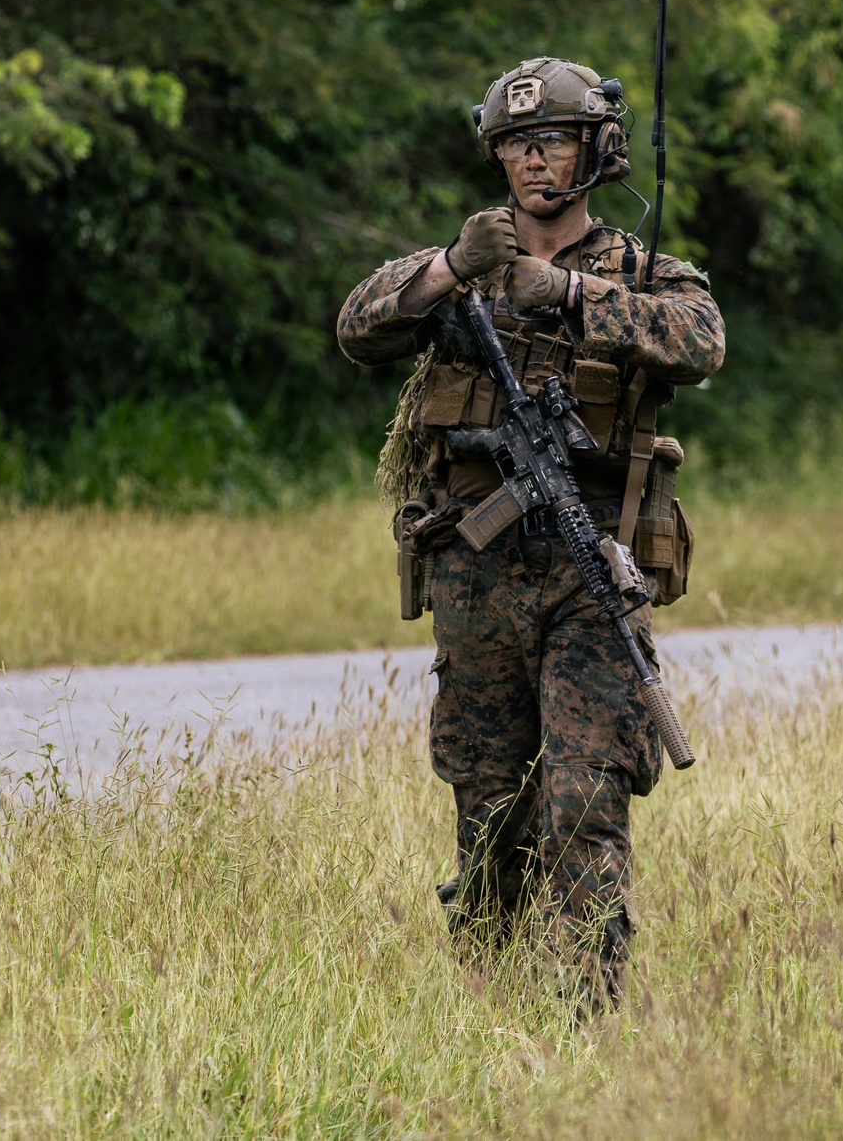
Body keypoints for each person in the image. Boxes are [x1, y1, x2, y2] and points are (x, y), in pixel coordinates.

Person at [337, 56, 725, 1007]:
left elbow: (702, 340)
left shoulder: (640, 272)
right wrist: (450, 268)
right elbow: (356, 326)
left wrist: (569, 298)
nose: (532, 162)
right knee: (487, 800)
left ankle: (584, 1017)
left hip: (594, 564)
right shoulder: (462, 271)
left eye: (550, 140)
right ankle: (488, 1004)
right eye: (513, 145)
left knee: (583, 799)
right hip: (476, 565)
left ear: (596, 150)